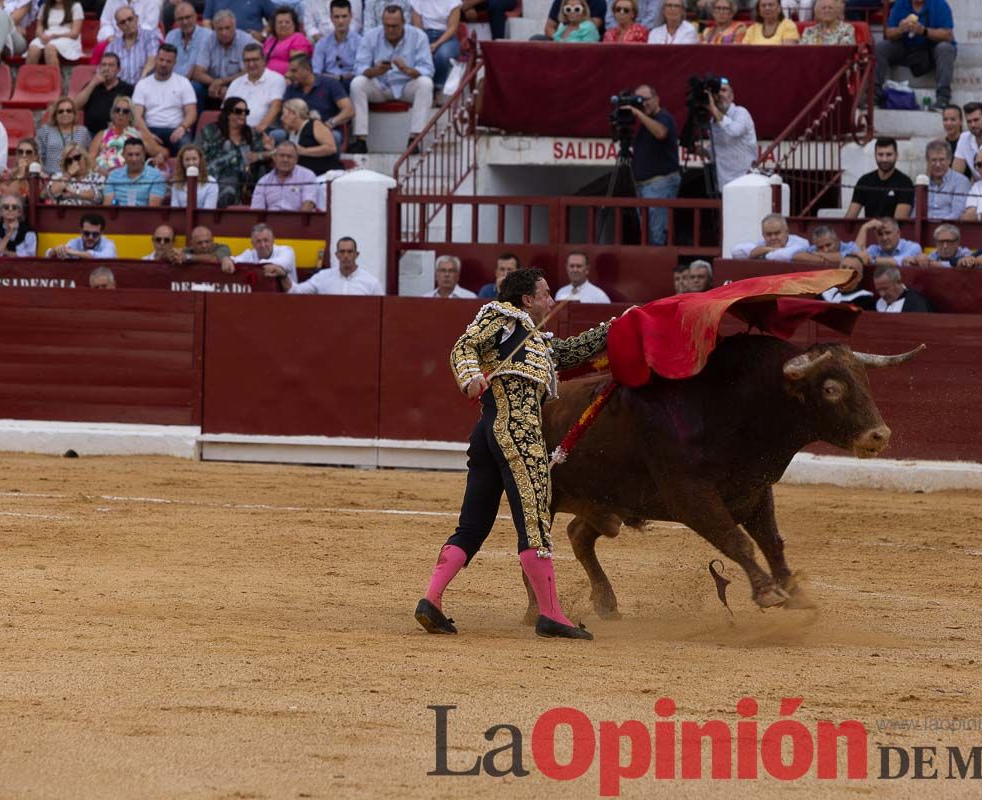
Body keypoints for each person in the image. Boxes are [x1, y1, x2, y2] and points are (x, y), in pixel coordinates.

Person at [415, 267, 612, 641]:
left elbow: (570, 351)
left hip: (488, 432)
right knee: (535, 523)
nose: (551, 300)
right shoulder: (501, 318)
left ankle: (432, 600)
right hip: (518, 432)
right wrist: (471, 376)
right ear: (527, 299)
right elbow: (463, 347)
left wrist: (615, 327)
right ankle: (551, 613)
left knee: (473, 524)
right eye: (546, 294)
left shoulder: (535, 339)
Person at [347, 5, 435, 154]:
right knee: (357, 83)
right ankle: (360, 140)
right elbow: (359, 68)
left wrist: (407, 70)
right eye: (387, 26)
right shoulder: (371, 36)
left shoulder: (419, 36)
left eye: (394, 26)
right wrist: (375, 71)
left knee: (426, 83)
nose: (390, 30)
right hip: (380, 85)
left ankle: (414, 140)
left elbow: (428, 69)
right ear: (382, 23)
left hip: (406, 85)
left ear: (403, 23)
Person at [875, 0, 956, 111]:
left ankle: (943, 97)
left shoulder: (939, 4)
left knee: (945, 48)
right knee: (881, 47)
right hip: (906, 48)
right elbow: (888, 33)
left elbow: (948, 35)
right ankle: (874, 94)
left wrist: (924, 31)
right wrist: (900, 29)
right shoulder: (901, 4)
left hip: (931, 49)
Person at [626, 84, 680, 246]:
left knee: (657, 234)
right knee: (647, 233)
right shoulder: (645, 124)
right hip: (644, 186)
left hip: (659, 184)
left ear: (657, 99)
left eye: (646, 100)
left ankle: (659, 268)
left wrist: (637, 113)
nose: (643, 104)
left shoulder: (663, 117)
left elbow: (660, 133)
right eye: (639, 101)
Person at [200, 96, 275, 207]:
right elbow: (203, 156)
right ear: (228, 113)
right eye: (238, 111)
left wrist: (268, 151)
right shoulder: (211, 130)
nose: (243, 114)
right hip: (216, 176)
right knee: (230, 180)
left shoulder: (251, 133)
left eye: (246, 112)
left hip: (245, 178)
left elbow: (263, 154)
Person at [133, 44, 199, 158]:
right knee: (134, 144)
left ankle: (187, 176)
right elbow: (136, 116)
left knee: (187, 148)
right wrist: (148, 134)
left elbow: (192, 113)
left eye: (168, 61)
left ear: (175, 63)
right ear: (156, 60)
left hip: (176, 129)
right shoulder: (142, 84)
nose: (164, 64)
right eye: (161, 60)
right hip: (150, 129)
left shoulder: (183, 82)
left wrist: (182, 128)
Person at [276, 235, 385, 293]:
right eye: (342, 252)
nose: (346, 256)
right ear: (336, 255)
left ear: (357, 255)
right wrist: (283, 275)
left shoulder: (371, 282)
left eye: (350, 251)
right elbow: (296, 291)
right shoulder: (323, 277)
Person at [706, 77, 757, 193]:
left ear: (732, 96)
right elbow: (717, 153)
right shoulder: (713, 122)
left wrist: (713, 109)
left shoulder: (741, 112)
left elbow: (734, 131)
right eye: (716, 92)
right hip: (725, 187)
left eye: (723, 90)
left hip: (746, 185)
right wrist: (701, 151)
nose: (720, 95)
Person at [194, 10, 257, 104]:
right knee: (195, 88)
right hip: (212, 83)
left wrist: (222, 82)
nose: (224, 32)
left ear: (235, 27)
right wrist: (216, 83)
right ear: (214, 29)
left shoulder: (246, 40)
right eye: (220, 29)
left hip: (239, 84)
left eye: (227, 28)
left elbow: (248, 71)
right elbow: (198, 73)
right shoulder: (208, 40)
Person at [284, 53, 354, 137]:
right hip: (297, 130)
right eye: (289, 71)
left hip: (325, 130)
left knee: (334, 136)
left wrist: (331, 122)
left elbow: (349, 110)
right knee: (278, 134)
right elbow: (285, 115)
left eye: (294, 71)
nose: (288, 74)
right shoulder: (291, 88)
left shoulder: (330, 83)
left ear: (308, 69)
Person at [845, 137, 914, 219]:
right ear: (875, 155)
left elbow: (899, 222)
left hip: (892, 231)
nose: (884, 159)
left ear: (896, 155)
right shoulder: (864, 181)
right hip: (868, 230)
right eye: (880, 155)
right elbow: (849, 218)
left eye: (889, 155)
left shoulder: (905, 183)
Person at [228, 44, 288, 137]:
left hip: (264, 132)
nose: (251, 64)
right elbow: (226, 111)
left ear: (263, 60)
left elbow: (276, 107)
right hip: (236, 133)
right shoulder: (236, 83)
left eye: (255, 59)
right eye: (247, 60)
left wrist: (256, 131)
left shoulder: (276, 79)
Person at [164, 3, 215, 107]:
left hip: (194, 82)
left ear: (196, 16)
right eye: (180, 19)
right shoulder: (171, 35)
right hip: (171, 80)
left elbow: (196, 69)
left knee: (194, 88)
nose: (185, 22)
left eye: (188, 17)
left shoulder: (207, 35)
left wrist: (179, 85)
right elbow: (165, 61)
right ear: (176, 21)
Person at [279, 98, 344, 176]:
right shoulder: (290, 133)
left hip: (325, 174)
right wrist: (271, 148)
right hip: (305, 176)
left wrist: (304, 151)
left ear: (294, 114)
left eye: (284, 114)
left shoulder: (315, 125)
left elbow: (331, 148)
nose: (281, 118)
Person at [75, 53, 135, 137]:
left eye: (111, 65)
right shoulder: (91, 86)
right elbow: (76, 105)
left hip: (117, 133)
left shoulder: (127, 88)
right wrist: (93, 83)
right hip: (91, 133)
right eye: (104, 65)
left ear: (118, 69)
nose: (107, 68)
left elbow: (134, 115)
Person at [251, 141, 322, 211]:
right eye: (282, 156)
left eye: (289, 156)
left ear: (296, 159)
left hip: (297, 220)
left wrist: (298, 222)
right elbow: (257, 210)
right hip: (270, 221)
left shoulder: (307, 176)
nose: (285, 160)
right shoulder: (263, 181)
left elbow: (308, 204)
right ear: (274, 158)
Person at [410, 0, 461, 92]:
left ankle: (437, 87)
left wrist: (436, 44)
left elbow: (452, 28)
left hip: (446, 36)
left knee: (442, 55)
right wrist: (423, 44)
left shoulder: (453, 1)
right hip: (424, 34)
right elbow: (417, 26)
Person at [224, 223, 300, 285]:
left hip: (288, 298)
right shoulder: (249, 254)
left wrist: (256, 265)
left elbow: (281, 263)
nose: (263, 245)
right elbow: (234, 260)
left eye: (266, 240)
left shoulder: (287, 251)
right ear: (252, 244)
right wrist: (227, 259)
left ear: (273, 240)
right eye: (258, 241)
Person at [314, 0, 362, 93]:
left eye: (344, 16)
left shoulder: (360, 42)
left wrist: (340, 77)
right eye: (337, 17)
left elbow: (360, 71)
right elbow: (316, 71)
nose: (341, 21)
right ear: (331, 18)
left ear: (351, 16)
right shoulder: (322, 43)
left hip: (350, 83)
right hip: (327, 83)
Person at [36, 97, 92, 176]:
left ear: (74, 114)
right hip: (51, 176)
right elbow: (38, 155)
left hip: (76, 177)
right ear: (55, 115)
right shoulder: (45, 130)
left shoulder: (83, 132)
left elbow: (87, 157)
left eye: (69, 111)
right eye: (60, 111)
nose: (65, 114)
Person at [103, 137, 167, 206]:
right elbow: (107, 206)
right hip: (118, 215)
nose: (134, 159)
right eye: (130, 155)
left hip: (145, 216)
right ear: (123, 155)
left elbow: (153, 210)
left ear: (144, 155)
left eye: (137, 154)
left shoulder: (156, 177)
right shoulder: (114, 175)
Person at [107, 7, 161, 85]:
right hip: (120, 90)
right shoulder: (112, 46)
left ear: (136, 19)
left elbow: (152, 61)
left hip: (146, 87)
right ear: (118, 26)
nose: (127, 23)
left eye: (130, 19)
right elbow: (107, 69)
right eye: (123, 22)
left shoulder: (150, 37)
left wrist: (141, 84)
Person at [728, 213, 810, 260]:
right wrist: (769, 249)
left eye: (777, 233)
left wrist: (761, 252)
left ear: (786, 232)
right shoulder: (762, 243)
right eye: (768, 234)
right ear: (763, 235)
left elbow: (781, 256)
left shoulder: (801, 242)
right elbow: (736, 251)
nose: (773, 237)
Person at [89, 95, 137, 175]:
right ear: (113, 113)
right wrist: (100, 170)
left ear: (130, 115)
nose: (120, 113)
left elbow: (159, 151)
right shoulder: (102, 134)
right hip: (100, 174)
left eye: (125, 111)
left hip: (124, 177)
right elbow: (90, 158)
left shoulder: (136, 135)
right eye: (117, 110)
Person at [26, 0, 84, 66]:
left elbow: (74, 33)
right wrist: (42, 36)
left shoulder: (75, 6)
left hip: (67, 38)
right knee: (33, 48)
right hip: (47, 36)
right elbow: (39, 29)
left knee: (50, 48)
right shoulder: (44, 7)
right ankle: (30, 75)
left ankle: (54, 76)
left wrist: (55, 36)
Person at [925, 139, 970, 220]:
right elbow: (915, 212)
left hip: (949, 228)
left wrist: (937, 226)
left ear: (949, 160)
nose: (938, 165)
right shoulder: (923, 182)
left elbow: (958, 213)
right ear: (928, 161)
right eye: (933, 160)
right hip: (924, 228)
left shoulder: (961, 182)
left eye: (942, 160)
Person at [856, 217, 921, 268]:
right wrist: (864, 228)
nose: (884, 238)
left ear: (898, 233)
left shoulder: (913, 247)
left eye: (888, 233)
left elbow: (898, 262)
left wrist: (871, 260)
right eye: (880, 234)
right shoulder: (874, 249)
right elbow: (856, 258)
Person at [264, 7, 314, 75]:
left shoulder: (298, 38)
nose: (283, 25)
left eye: (287, 22)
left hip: (288, 80)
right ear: (274, 25)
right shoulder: (270, 40)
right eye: (280, 22)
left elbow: (297, 66)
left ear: (294, 24)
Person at [46, 212, 118, 258]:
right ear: (81, 231)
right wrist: (55, 250)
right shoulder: (75, 242)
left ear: (102, 233)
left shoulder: (108, 244)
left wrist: (72, 252)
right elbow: (48, 255)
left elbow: (106, 256)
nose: (90, 237)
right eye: (86, 233)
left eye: (95, 234)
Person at [169, 144, 219, 208]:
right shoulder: (176, 183)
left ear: (200, 160)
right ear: (182, 162)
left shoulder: (211, 182)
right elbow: (175, 210)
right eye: (187, 160)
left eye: (194, 159)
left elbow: (209, 211)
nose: (191, 163)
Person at [905, 222, 971, 267]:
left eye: (949, 242)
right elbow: (912, 261)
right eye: (941, 242)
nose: (945, 246)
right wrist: (914, 260)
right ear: (936, 243)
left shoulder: (965, 253)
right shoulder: (934, 255)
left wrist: (932, 264)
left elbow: (967, 262)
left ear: (957, 242)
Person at [792, 224, 857, 266]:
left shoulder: (851, 246)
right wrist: (822, 260)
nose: (825, 250)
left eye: (828, 245)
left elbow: (849, 258)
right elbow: (796, 256)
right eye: (820, 247)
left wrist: (819, 254)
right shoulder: (815, 248)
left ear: (837, 240)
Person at [203, 0, 276, 33]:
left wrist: (263, 35)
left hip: (252, 47)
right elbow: (206, 21)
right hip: (221, 45)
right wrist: (213, 38)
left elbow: (275, 17)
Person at [942, 104, 967, 174]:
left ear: (961, 121)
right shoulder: (941, 145)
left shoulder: (968, 143)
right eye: (945, 119)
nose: (949, 123)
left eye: (953, 119)